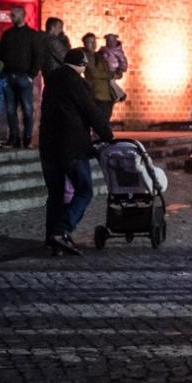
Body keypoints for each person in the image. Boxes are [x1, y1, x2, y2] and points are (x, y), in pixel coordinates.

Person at [39, 48, 114, 255]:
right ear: (81, 64)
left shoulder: (51, 82)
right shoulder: (76, 82)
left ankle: (50, 238)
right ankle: (62, 231)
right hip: (71, 147)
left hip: (48, 146)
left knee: (55, 193)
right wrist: (107, 135)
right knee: (84, 190)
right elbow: (90, 111)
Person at [0, 7, 45, 148]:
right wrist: (2, 71)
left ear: (23, 16)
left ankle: (27, 137)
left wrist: (31, 74)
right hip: (9, 74)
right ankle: (14, 137)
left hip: (24, 75)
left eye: (15, 15)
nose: (12, 17)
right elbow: (0, 54)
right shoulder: (7, 34)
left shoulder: (32, 35)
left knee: (27, 108)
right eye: (11, 15)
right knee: (11, 109)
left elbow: (38, 56)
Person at [81, 33, 116, 125]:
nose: (93, 44)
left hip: (107, 95)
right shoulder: (85, 56)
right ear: (84, 44)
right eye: (90, 42)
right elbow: (94, 73)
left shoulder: (99, 56)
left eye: (94, 41)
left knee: (104, 122)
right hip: (96, 95)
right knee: (99, 123)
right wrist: (110, 75)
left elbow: (107, 70)